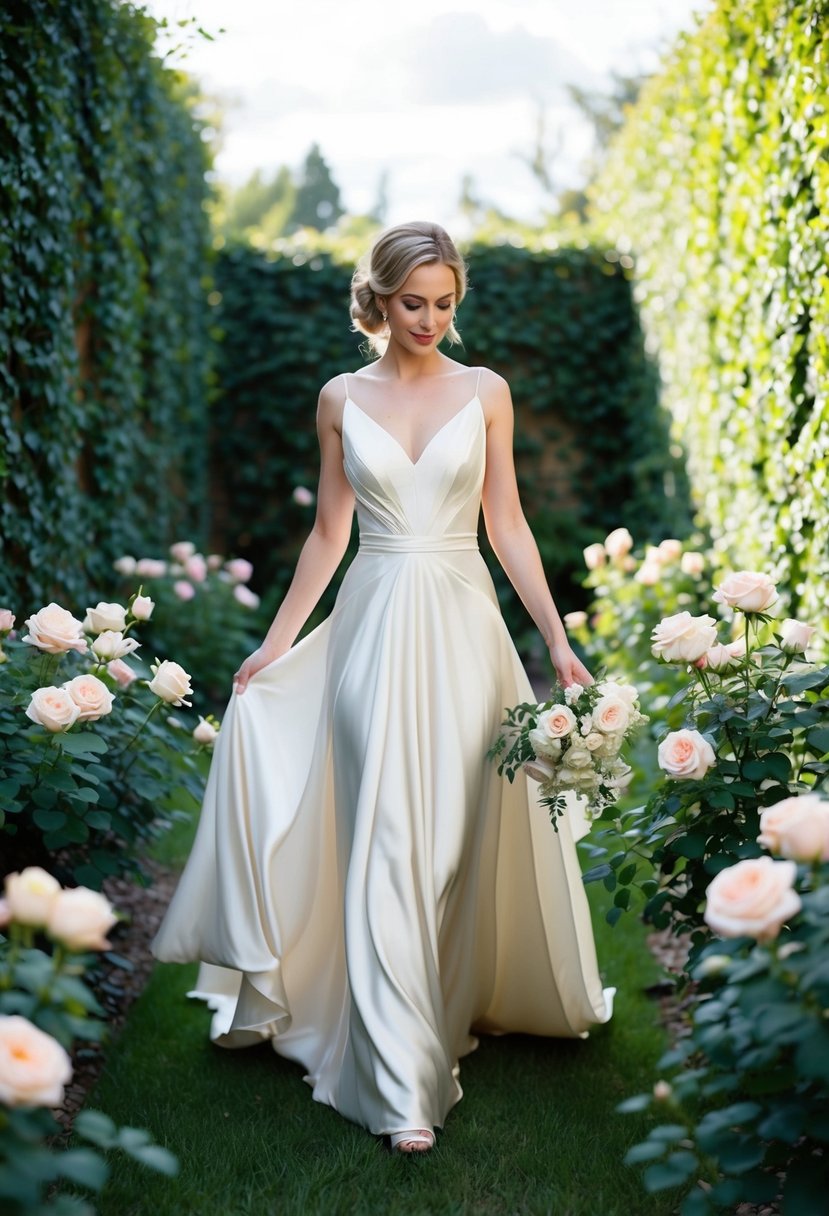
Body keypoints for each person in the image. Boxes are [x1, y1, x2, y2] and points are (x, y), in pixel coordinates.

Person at [151, 220, 613, 1155]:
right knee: (382, 829)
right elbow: (328, 534)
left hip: (461, 630)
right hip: (366, 625)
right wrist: (276, 644)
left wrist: (556, 644)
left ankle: (436, 1014)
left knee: (446, 837)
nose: (431, 319)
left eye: (446, 303)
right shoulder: (338, 398)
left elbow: (508, 524)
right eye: (414, 302)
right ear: (379, 298)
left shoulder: (486, 393)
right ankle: (399, 1082)